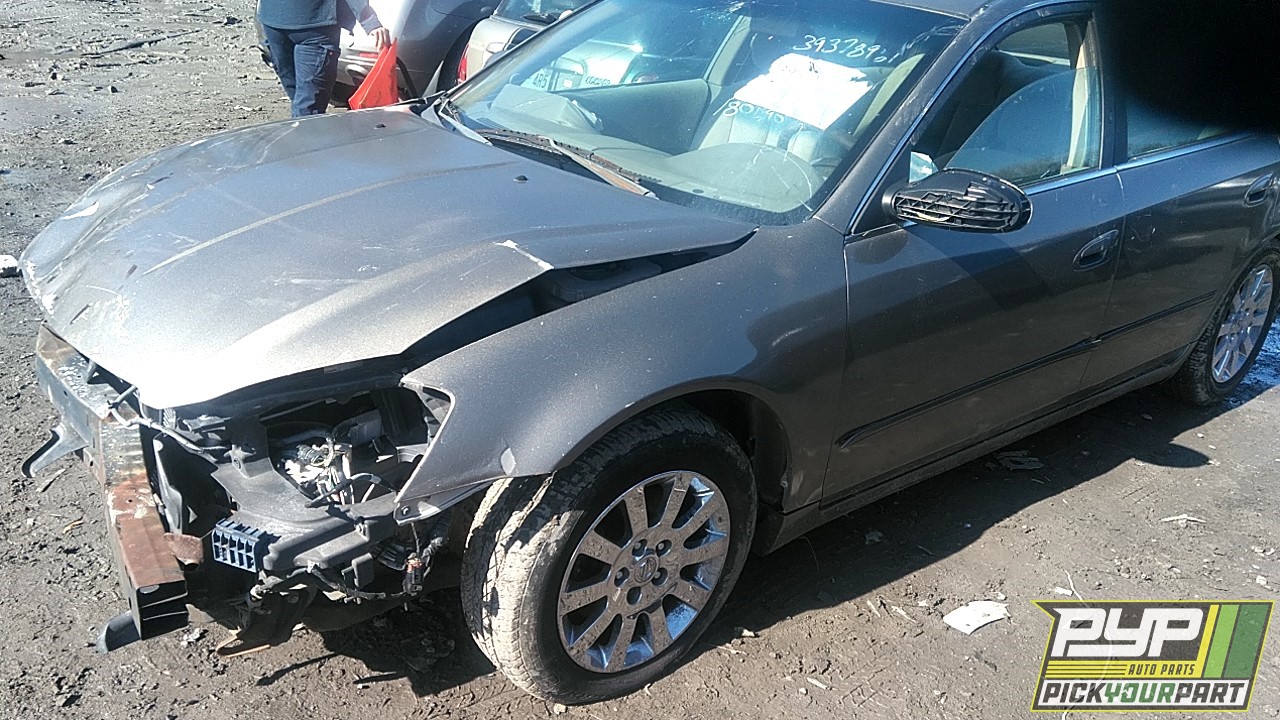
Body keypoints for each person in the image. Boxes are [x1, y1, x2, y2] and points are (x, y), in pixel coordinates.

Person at [258, 0, 392, 117]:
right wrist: (369, 20)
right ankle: (306, 140)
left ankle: (303, 139)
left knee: (304, 106)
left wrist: (369, 21)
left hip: (288, 23)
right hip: (302, 24)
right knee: (305, 107)